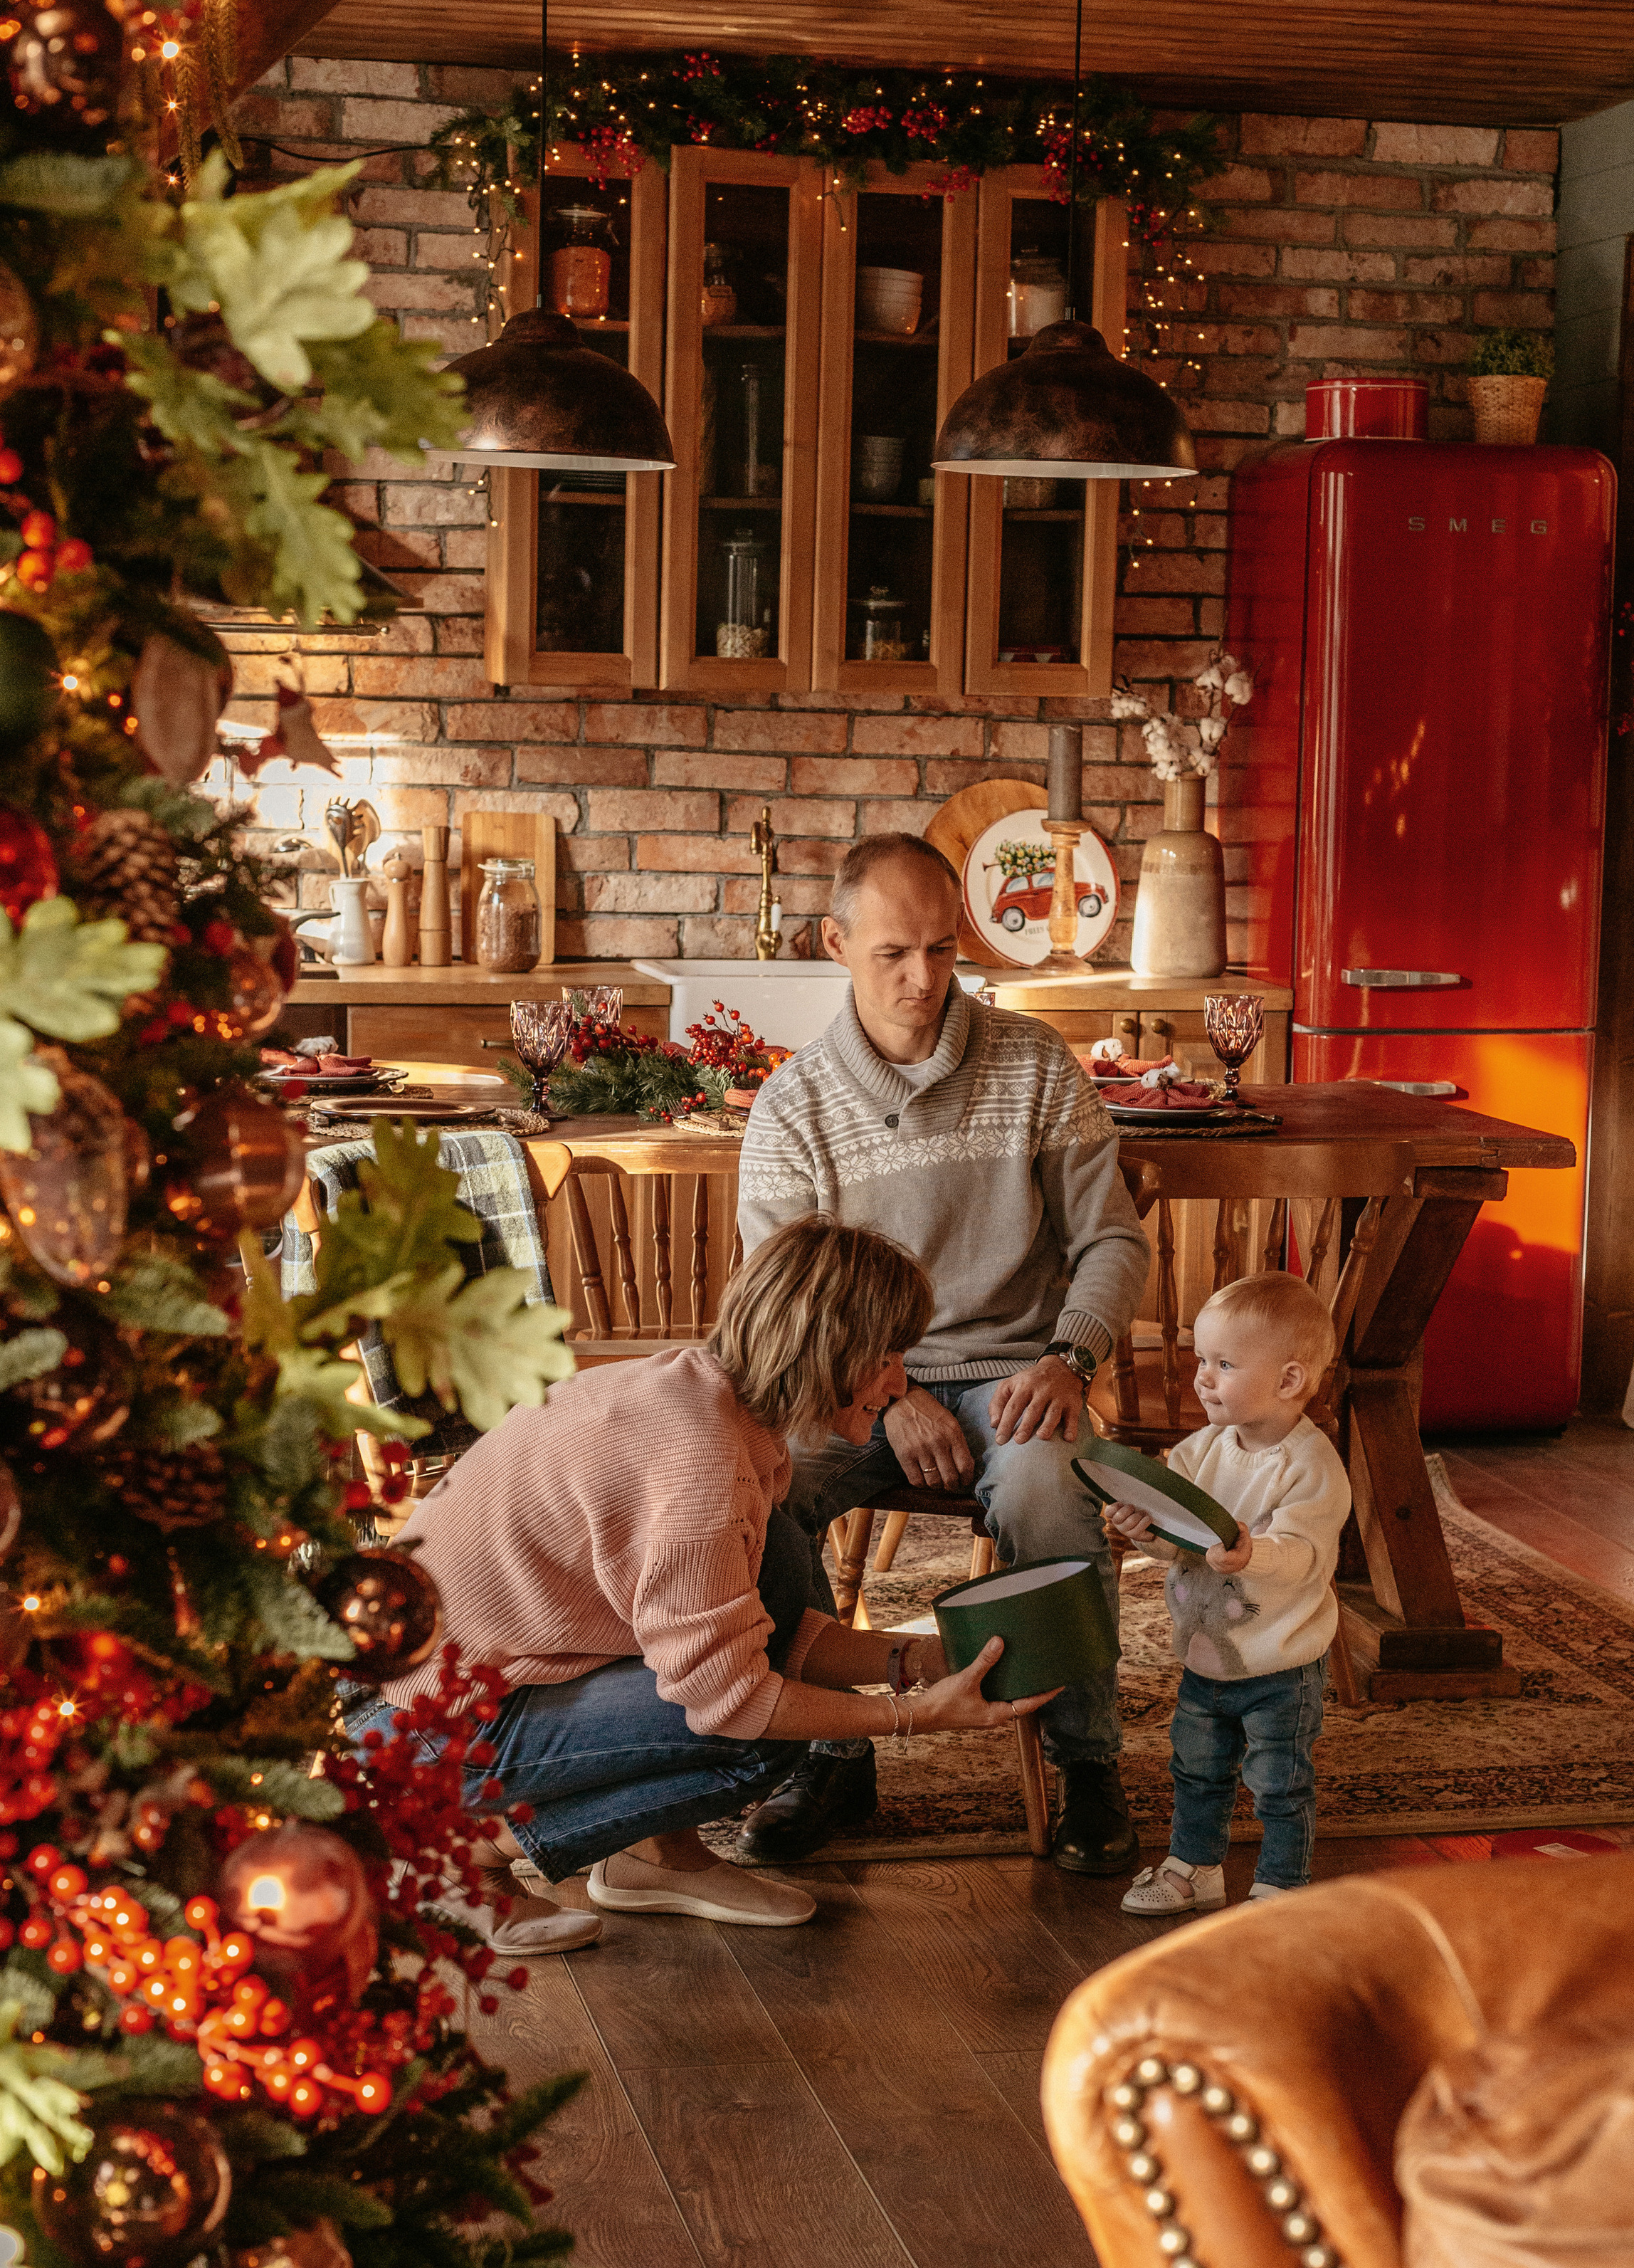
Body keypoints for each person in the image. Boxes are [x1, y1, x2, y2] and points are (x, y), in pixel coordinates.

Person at [352, 1214, 1055, 1954]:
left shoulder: (709, 1397)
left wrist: (920, 1664)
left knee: (778, 1571)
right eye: (887, 1356)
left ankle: (654, 1860)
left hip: (463, 1683)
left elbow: (767, 1628)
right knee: (759, 1742)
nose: (898, 1381)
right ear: (829, 1350)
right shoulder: (701, 1468)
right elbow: (732, 1700)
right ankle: (452, 1857)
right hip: (424, 1732)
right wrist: (914, 1717)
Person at [736, 832, 1151, 1875]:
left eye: (940, 949)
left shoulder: (1036, 1065)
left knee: (1051, 1485)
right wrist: (889, 1395)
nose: (923, 979)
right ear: (836, 944)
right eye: (893, 955)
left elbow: (1113, 1239)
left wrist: (1071, 1360)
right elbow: (792, 1309)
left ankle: (1088, 1765)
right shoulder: (793, 1108)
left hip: (1024, 1374)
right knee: (758, 1486)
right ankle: (833, 1750)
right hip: (859, 1390)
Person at [1103, 1271, 1351, 1915]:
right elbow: (1177, 1542)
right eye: (1201, 1360)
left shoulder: (1311, 1465)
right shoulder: (1197, 1453)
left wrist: (1251, 1554)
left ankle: (1280, 1886)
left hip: (1280, 1663)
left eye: (1224, 1363)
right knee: (1196, 1771)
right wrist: (1144, 1531)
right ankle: (1195, 1867)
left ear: (1289, 1381)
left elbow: (1304, 1557)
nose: (1202, 1377)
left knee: (1279, 1782)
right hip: (1206, 1657)